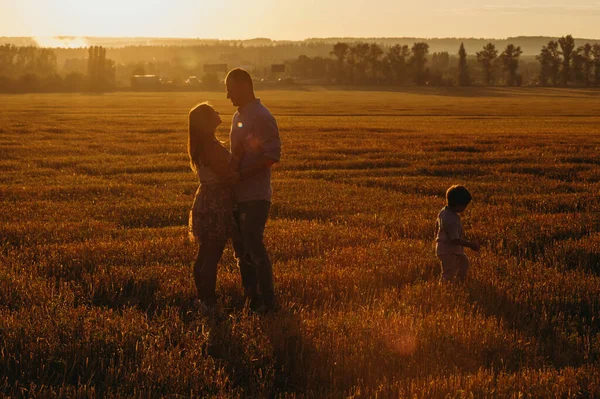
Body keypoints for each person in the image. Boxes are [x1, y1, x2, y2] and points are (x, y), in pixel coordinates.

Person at [224, 68, 282, 313]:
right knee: (241, 249)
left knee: (253, 246)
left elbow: (272, 156)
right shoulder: (239, 115)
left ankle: (268, 301)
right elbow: (238, 152)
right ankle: (251, 299)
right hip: (238, 194)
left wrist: (242, 175)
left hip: (255, 195)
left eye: (230, 89)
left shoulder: (261, 116)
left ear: (244, 86)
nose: (227, 96)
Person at [188, 102, 240, 310]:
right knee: (211, 253)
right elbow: (227, 177)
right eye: (212, 112)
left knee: (205, 253)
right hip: (216, 202)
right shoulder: (211, 146)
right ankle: (207, 300)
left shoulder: (202, 145)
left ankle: (202, 297)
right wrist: (246, 172)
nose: (218, 113)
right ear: (205, 122)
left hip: (206, 200)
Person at [435, 185, 480, 282]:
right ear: (457, 205)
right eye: (464, 205)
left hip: (448, 249)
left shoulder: (443, 211)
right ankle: (444, 288)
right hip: (448, 250)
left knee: (464, 263)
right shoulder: (452, 220)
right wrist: (471, 245)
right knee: (448, 273)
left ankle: (459, 283)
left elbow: (437, 226)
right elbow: (454, 239)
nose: (465, 208)